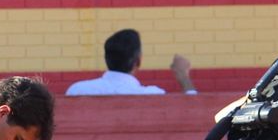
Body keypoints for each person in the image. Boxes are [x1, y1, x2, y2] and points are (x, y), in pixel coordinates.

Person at [66, 28, 197, 95]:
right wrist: (183, 77)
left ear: (106, 59)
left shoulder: (77, 90)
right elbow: (194, 113)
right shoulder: (153, 95)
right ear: (137, 62)